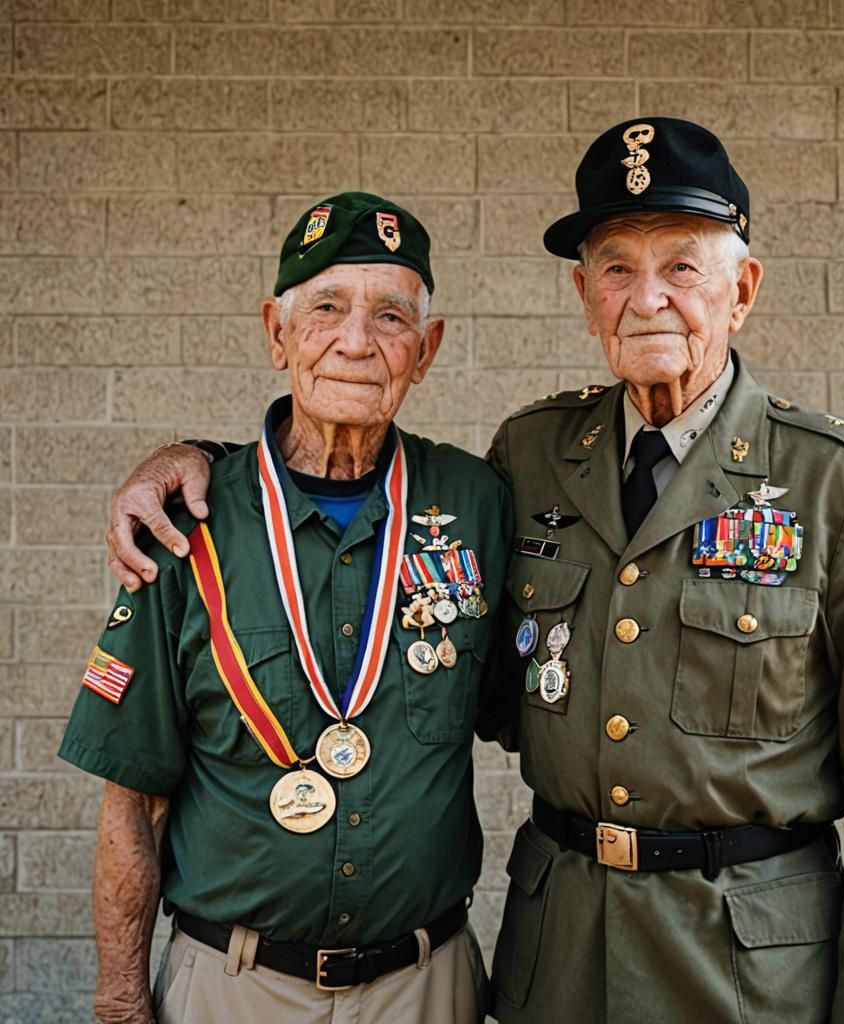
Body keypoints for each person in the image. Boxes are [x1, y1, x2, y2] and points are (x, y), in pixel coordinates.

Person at [106, 120, 844, 1024]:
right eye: (617, 267)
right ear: (585, 293)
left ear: (741, 290)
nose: (647, 298)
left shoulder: (838, 482)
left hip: (751, 971)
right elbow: (354, 488)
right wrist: (196, 459)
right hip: (561, 958)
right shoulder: (534, 456)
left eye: (682, 266)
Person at [61, 191, 510, 1024]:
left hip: (426, 984)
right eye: (327, 308)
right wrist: (121, 1001)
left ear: (428, 347)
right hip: (232, 986)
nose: (355, 341)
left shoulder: (479, 502)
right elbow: (132, 802)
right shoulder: (184, 520)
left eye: (391, 316)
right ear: (277, 333)